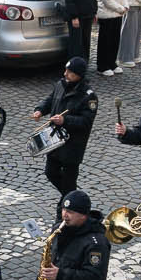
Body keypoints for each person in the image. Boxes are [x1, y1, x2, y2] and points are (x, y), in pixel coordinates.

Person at [30, 58, 98, 200]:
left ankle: (68, 202)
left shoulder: (88, 96)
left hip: (72, 146)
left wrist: (64, 120)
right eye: (66, 70)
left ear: (79, 75)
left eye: (70, 72)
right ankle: (69, 198)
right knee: (50, 172)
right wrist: (40, 110)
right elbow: (50, 100)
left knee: (68, 181)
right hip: (54, 140)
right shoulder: (60, 85)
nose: (65, 74)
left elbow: (86, 122)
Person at [93, 0, 126, 76]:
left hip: (117, 14)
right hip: (107, 15)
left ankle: (112, 62)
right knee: (105, 41)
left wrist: (125, 5)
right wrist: (120, 8)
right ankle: (102, 65)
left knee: (115, 40)